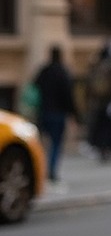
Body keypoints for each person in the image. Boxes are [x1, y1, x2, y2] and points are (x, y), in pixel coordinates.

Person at [33, 45, 78, 182]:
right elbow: (68, 95)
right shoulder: (63, 72)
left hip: (44, 111)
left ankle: (41, 169)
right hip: (58, 113)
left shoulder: (44, 71)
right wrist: (74, 113)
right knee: (56, 143)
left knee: (42, 142)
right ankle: (51, 170)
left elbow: (35, 85)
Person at [85, 41, 111, 160]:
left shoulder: (97, 64)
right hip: (109, 101)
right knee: (110, 127)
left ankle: (101, 148)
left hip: (98, 103)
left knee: (101, 127)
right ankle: (109, 148)